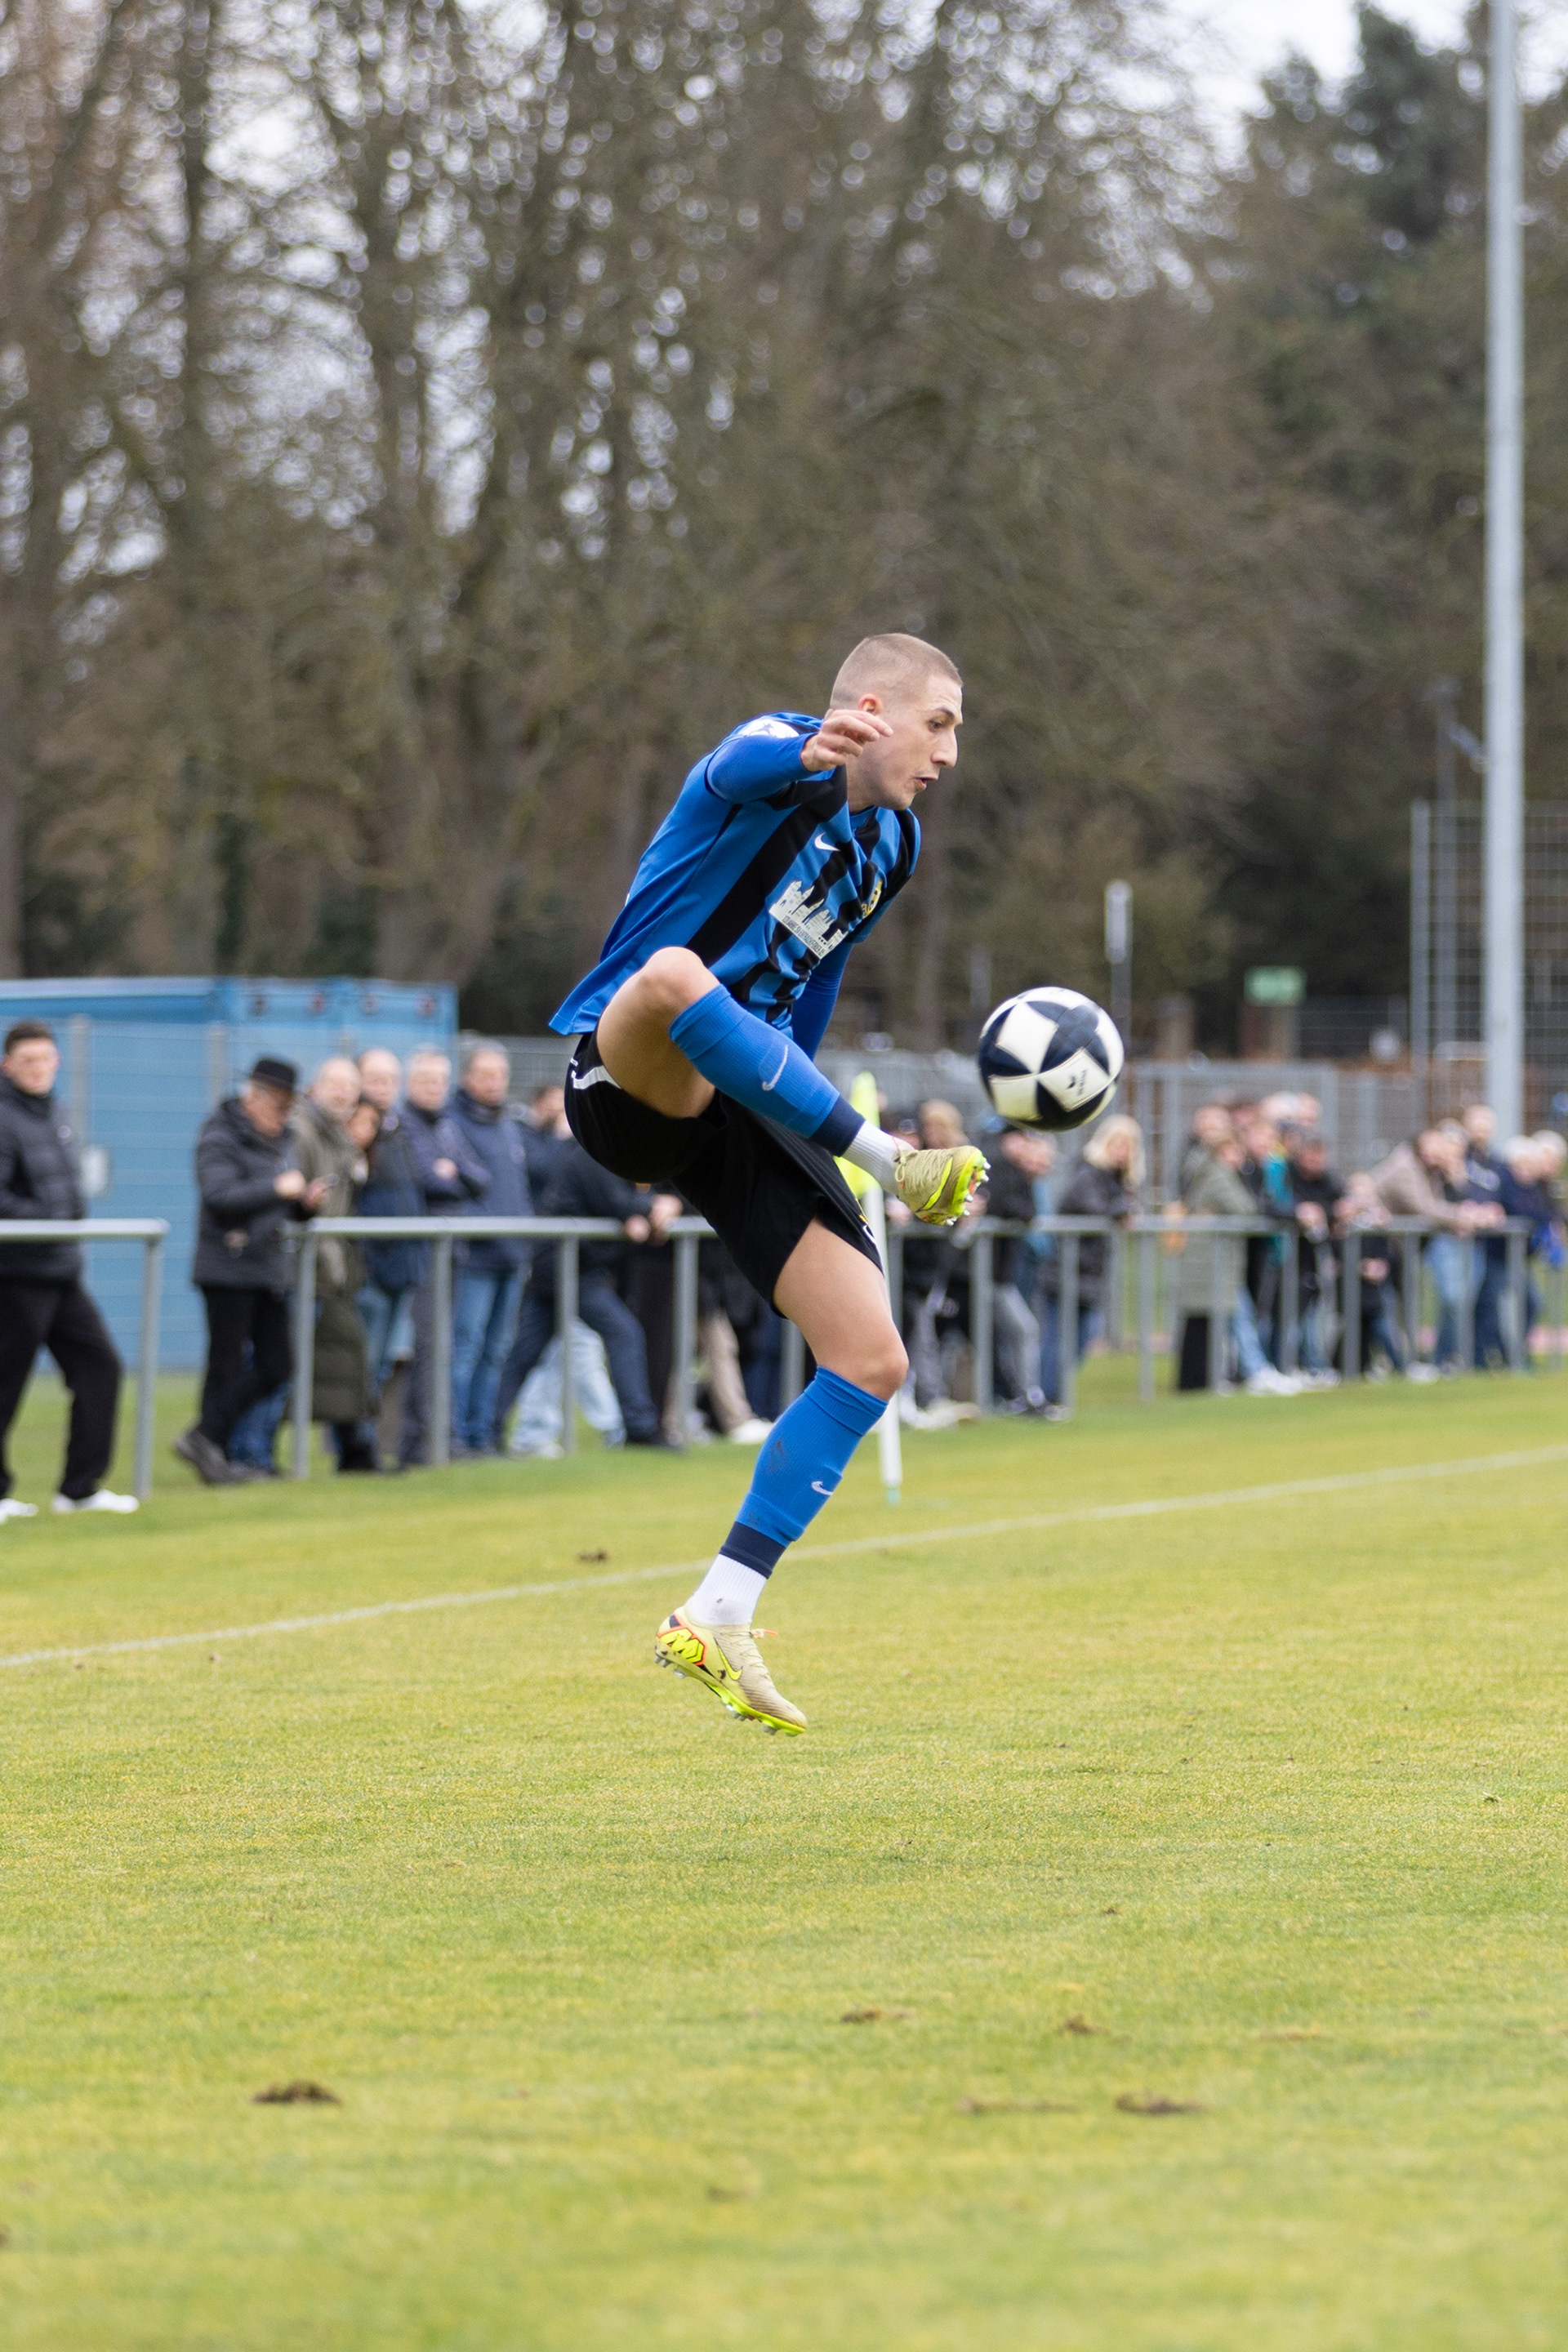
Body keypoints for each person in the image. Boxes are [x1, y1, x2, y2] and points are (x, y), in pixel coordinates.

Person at [549, 632, 986, 1733]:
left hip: (741, 1097)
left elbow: (815, 979)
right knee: (675, 973)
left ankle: (718, 1610)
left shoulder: (895, 844)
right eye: (938, 724)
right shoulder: (777, 750)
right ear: (871, 710)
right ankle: (890, 1158)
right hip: (628, 1075)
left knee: (873, 1357)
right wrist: (808, 754)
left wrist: (800, 1111)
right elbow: (739, 764)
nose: (948, 753)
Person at [0, 1019, 136, 1517]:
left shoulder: (56, 1112)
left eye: (45, 1059)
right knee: (5, 1383)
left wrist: (67, 1214)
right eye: (27, 1061)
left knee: (100, 1366)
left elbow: (68, 1189)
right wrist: (51, 1216)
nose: (38, 1069)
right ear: (7, 1066)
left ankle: (79, 1489)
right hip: (15, 1274)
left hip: (60, 1271)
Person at [180, 1057, 327, 1485]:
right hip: (227, 1265)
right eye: (280, 1105)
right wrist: (277, 1188)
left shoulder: (282, 1140)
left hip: (267, 1266)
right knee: (225, 1364)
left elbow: (282, 1207)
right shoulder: (220, 1135)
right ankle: (214, 1453)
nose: (284, 1115)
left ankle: (205, 1437)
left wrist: (303, 1204)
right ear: (254, 1098)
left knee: (278, 1364)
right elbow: (219, 1196)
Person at [494, 1138, 679, 1447]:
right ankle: (640, 1427)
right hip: (567, 1268)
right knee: (623, 1334)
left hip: (568, 1266)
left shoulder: (606, 1155)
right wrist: (655, 1207)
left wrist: (649, 1209)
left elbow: (624, 1204)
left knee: (525, 1353)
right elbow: (617, 1203)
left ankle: (486, 1429)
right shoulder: (593, 1154)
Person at [398, 1049, 488, 1467]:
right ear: (410, 1083)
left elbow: (480, 1179)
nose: (434, 1089)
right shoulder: (403, 1124)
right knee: (423, 1347)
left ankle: (437, 1437)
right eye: (426, 1080)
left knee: (445, 1346)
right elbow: (426, 1179)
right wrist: (452, 1176)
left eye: (440, 1081)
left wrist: (455, 1172)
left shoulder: (448, 1126)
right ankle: (418, 1442)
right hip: (419, 1254)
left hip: (451, 1250)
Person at [291, 1058, 377, 1472]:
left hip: (334, 1270)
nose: (343, 1094)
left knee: (347, 1358)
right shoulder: (302, 1131)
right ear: (316, 1087)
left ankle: (355, 1452)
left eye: (350, 1087)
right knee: (282, 1364)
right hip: (303, 1271)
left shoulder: (342, 1137)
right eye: (335, 1085)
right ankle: (248, 1453)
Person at [448, 1043, 532, 1455]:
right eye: (485, 1074)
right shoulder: (452, 1123)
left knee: (497, 1351)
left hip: (512, 1258)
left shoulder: (510, 1125)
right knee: (465, 1348)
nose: (494, 1082)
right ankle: (456, 1435)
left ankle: (484, 1434)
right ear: (466, 1078)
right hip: (475, 1258)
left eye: (500, 1074)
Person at [1039, 1114, 1143, 1405]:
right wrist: (1120, 1211)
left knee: (1084, 1335)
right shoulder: (1087, 1172)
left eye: (1128, 1145)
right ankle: (1046, 1396)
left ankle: (1054, 1392)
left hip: (1090, 1272)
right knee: (1057, 1337)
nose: (1122, 1151)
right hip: (1066, 1268)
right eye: (1117, 1143)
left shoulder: (1118, 1180)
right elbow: (1089, 1206)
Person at [354, 1049, 426, 1457]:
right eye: (376, 1079)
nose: (384, 1088)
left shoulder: (398, 1133)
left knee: (385, 1364)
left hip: (402, 1268)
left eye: (390, 1080)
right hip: (371, 1271)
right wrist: (369, 1260)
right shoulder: (355, 1135)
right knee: (363, 1364)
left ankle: (373, 1446)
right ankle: (356, 1448)